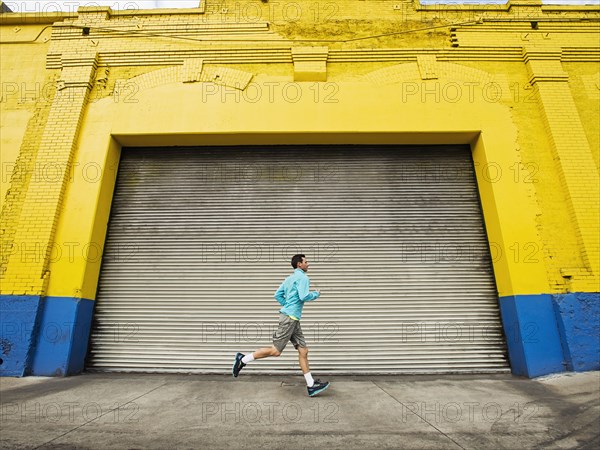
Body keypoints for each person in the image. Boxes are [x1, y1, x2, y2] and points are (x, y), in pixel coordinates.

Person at [232, 254, 330, 397]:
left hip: (293, 319)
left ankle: (311, 385)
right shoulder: (303, 278)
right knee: (276, 351)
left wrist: (287, 305)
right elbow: (303, 296)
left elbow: (277, 295)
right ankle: (242, 359)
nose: (308, 264)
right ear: (299, 265)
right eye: (306, 262)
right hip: (289, 319)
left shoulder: (289, 279)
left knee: (303, 351)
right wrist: (316, 294)